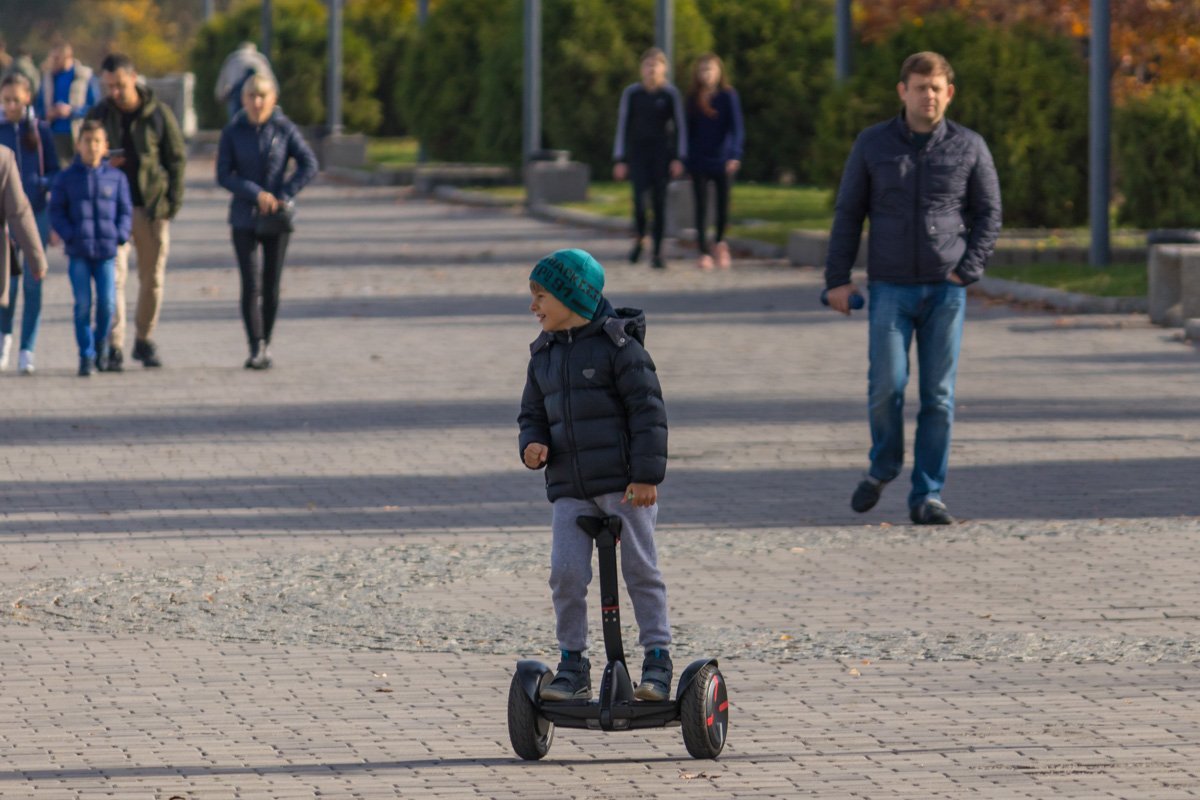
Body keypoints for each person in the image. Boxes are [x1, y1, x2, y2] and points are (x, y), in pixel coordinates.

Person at [824, 51, 1001, 525]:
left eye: (936, 88)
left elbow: (989, 214)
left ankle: (928, 494)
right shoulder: (873, 143)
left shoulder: (969, 146)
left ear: (950, 93)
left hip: (946, 289)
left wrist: (967, 270)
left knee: (938, 395)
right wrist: (837, 280)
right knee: (887, 387)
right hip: (890, 287)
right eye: (920, 87)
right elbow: (848, 213)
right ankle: (884, 463)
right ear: (903, 91)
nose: (929, 96)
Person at [518, 248, 673, 702]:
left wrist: (645, 476)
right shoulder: (543, 355)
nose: (533, 306)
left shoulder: (620, 349)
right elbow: (532, 413)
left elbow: (648, 414)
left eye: (541, 296)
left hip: (625, 486)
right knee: (565, 574)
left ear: (572, 297)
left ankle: (657, 659)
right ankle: (573, 663)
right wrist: (532, 444)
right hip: (570, 487)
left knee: (640, 569)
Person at [88, 53, 186, 371]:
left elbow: (176, 159)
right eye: (109, 86)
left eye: (119, 85)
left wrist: (171, 203)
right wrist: (103, 161)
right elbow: (83, 154)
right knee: (113, 278)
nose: (114, 92)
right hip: (110, 210)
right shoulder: (100, 114)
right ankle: (114, 345)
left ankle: (144, 340)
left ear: (134, 77)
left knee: (152, 278)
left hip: (150, 208)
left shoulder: (158, 113)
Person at [216, 74, 317, 369]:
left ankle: (267, 342)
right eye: (251, 96)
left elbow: (309, 163)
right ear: (243, 99)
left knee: (271, 283)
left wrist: (283, 194)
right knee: (251, 283)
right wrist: (255, 193)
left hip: (276, 217)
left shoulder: (284, 129)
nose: (257, 102)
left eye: (263, 96)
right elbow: (224, 174)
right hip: (244, 216)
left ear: (274, 99)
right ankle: (255, 345)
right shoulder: (233, 131)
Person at [49, 120, 131, 377]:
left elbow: (125, 210)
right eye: (87, 141)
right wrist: (69, 235)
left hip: (107, 252)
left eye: (97, 141)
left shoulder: (116, 178)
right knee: (83, 304)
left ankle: (100, 343)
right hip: (79, 252)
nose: (92, 147)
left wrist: (120, 234)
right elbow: (56, 211)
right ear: (78, 145)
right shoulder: (66, 178)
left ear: (106, 146)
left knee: (107, 303)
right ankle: (86, 355)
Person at [0, 73, 59, 374]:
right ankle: (4, 335)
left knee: (34, 283)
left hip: (36, 212)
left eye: (16, 99)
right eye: (6, 99)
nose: (11, 105)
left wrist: (40, 183)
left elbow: (56, 170)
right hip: (6, 219)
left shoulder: (40, 130)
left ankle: (28, 348)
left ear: (27, 97)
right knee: (8, 283)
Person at [612, 48, 686, 270]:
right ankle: (640, 238)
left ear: (664, 68)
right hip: (638, 154)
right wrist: (620, 158)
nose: (651, 69)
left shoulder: (670, 94)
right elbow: (623, 125)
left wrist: (679, 157)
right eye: (647, 64)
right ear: (641, 68)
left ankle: (658, 251)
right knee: (639, 201)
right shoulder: (632, 93)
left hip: (662, 155)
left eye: (656, 65)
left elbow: (680, 127)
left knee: (660, 202)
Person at [685, 54, 743, 271]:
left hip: (723, 159)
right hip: (699, 159)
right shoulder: (693, 98)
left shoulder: (728, 96)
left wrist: (735, 154)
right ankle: (703, 251)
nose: (707, 74)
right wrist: (686, 159)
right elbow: (687, 130)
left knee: (722, 205)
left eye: (710, 69)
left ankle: (719, 242)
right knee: (700, 206)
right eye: (703, 70)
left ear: (719, 72)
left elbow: (737, 128)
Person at [0, 143, 50, 327]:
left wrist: (36, 258)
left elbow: (19, 212)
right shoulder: (3, 157)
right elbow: (19, 212)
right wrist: (37, 259)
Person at [34, 41, 98, 166]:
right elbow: (39, 107)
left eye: (56, 58)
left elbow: (94, 107)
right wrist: (48, 113)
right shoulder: (48, 78)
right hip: (55, 134)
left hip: (80, 132)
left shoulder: (84, 77)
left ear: (68, 57)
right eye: (52, 58)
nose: (53, 62)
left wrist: (72, 111)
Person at [215, 42, 277, 121]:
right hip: (259, 100)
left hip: (236, 99)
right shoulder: (260, 59)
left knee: (235, 123)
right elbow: (272, 83)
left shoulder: (232, 59)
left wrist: (220, 96)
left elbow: (222, 84)